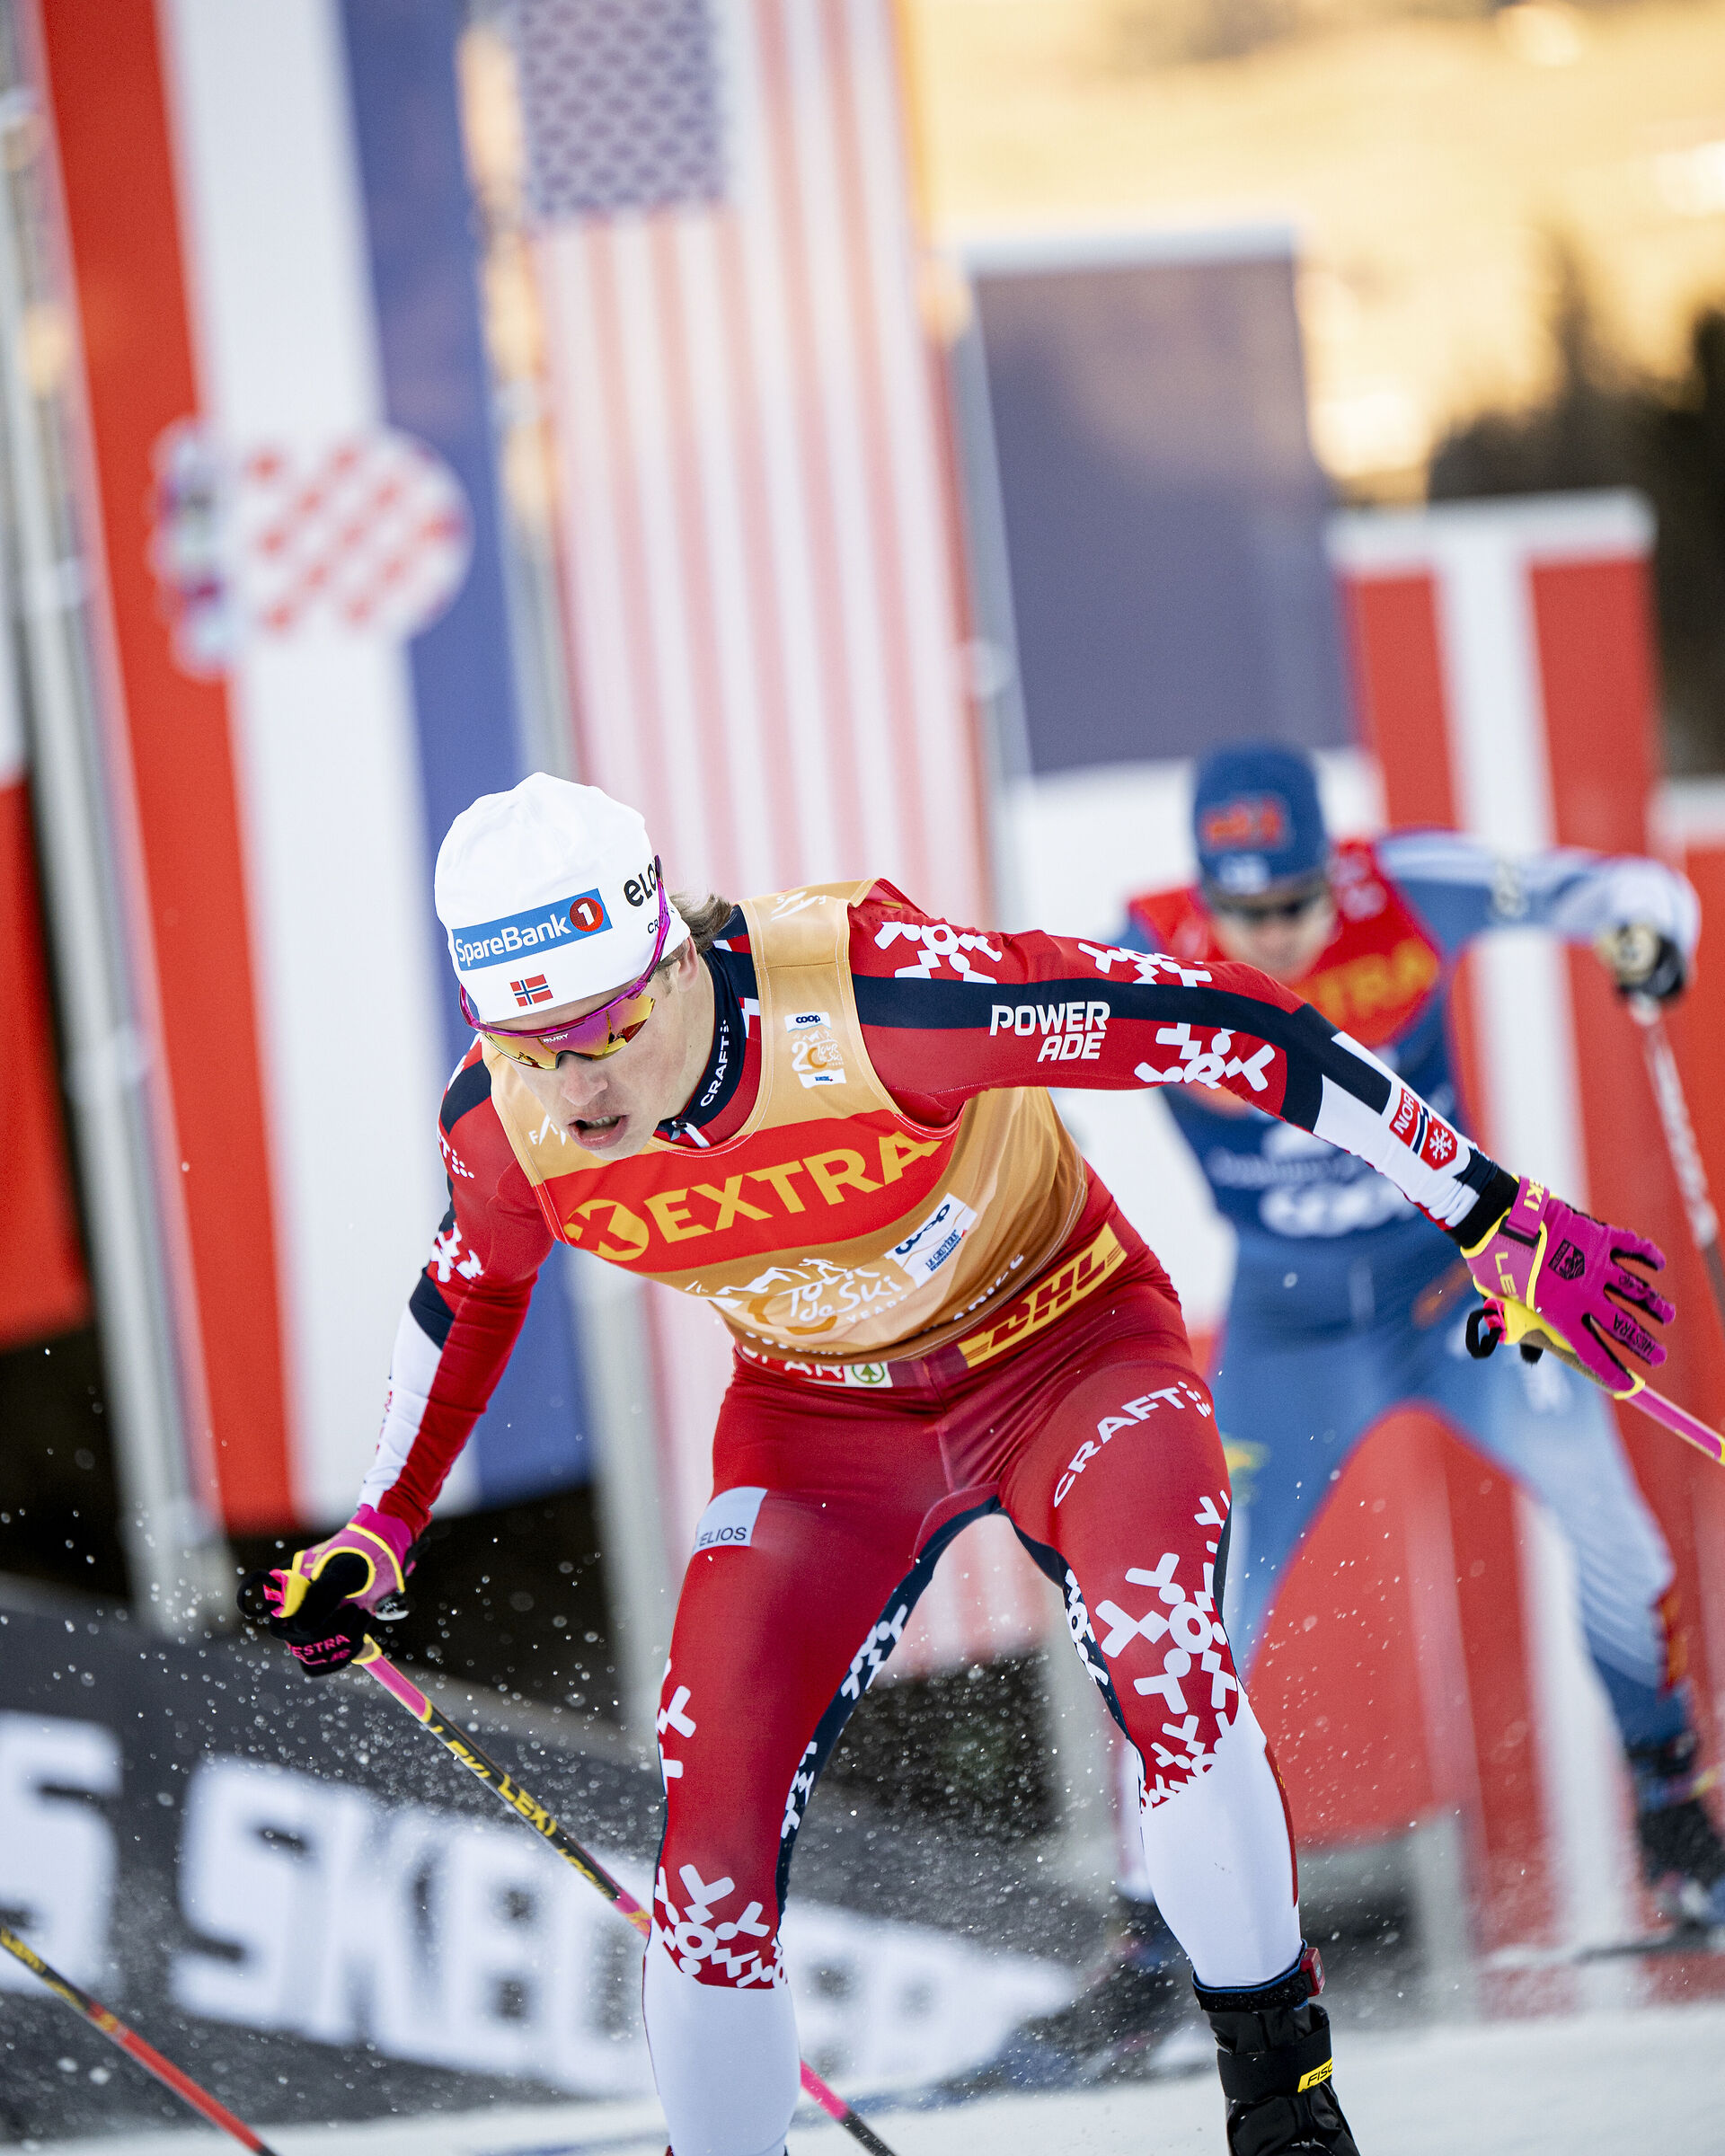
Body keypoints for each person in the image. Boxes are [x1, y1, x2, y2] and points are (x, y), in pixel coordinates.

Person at [250, 773, 1676, 2156]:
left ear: (671, 952)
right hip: (821, 1432)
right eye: (528, 1043)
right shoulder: (507, 1122)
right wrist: (381, 1525)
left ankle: (1282, 2100)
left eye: (600, 1029)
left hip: (1066, 1350)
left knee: (1168, 1657)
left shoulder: (876, 995)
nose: (574, 1083)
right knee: (709, 1844)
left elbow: (1230, 1029)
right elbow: (470, 1290)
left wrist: (1486, 1207)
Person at [1009, 741, 1719, 2082]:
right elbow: (1010, 1066)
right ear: (1203, 897)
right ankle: (1157, 1944)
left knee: (1616, 1529)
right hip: (1290, 1340)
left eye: (1292, 904)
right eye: (1245, 913)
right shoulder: (1143, 951)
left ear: (1331, 869)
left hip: (1456, 1302)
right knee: (1187, 1618)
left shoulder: (1409, 889)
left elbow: (1616, 890)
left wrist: (1646, 931)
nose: (1271, 935)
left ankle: (1675, 1821)